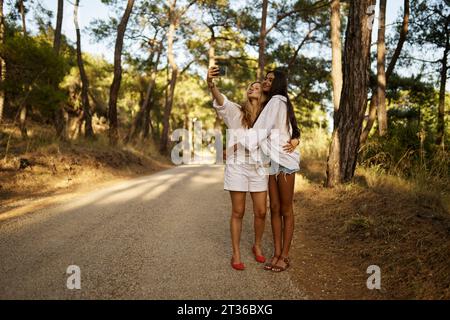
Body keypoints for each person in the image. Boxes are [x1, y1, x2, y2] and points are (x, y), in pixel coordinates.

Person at [236, 70, 301, 272]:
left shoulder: (278, 100)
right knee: (274, 207)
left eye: (271, 80)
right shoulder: (271, 104)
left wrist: (239, 143)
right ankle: (276, 253)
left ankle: (285, 256)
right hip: (271, 162)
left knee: (285, 208)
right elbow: (291, 127)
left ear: (278, 83)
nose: (266, 81)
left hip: (284, 161)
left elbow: (259, 131)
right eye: (266, 78)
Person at [207, 66, 268, 271]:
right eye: (251, 86)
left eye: (258, 87)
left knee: (260, 211)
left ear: (263, 94)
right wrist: (210, 83)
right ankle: (236, 253)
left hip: (259, 167)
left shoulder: (267, 116)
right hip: (237, 167)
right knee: (238, 211)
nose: (253, 88)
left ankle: (257, 246)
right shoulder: (236, 111)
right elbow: (220, 100)